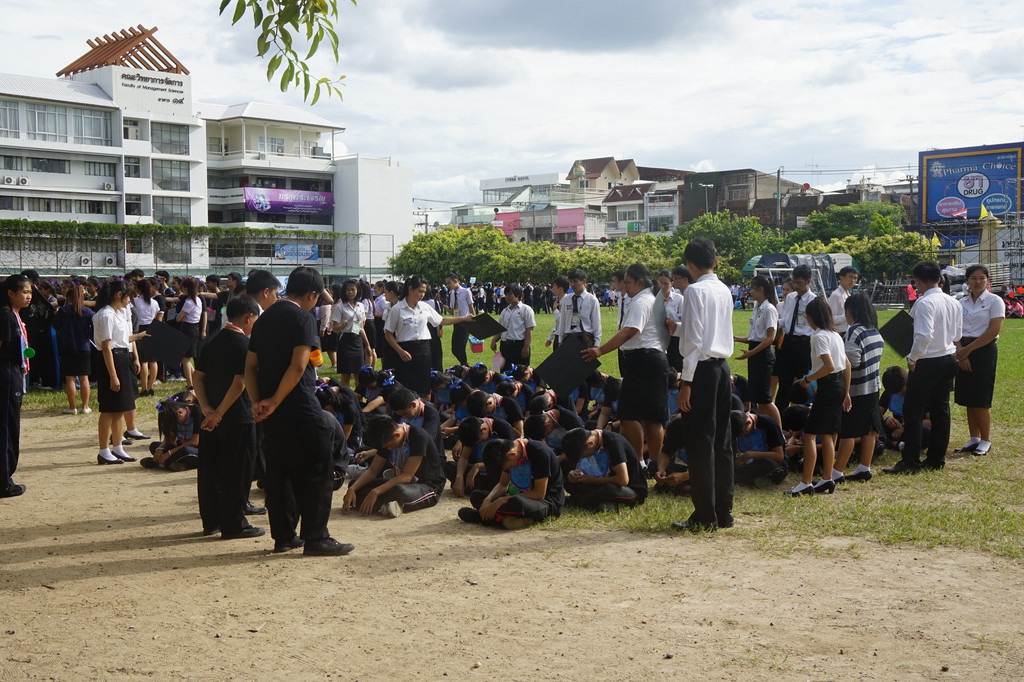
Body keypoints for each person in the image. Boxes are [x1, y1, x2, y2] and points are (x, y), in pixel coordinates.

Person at [246, 266, 354, 557]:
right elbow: (298, 366)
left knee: (279, 475)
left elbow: (250, 366)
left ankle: (283, 536)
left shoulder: (263, 319)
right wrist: (276, 400)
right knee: (316, 471)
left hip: (271, 409)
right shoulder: (302, 318)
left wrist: (260, 402)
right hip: (299, 406)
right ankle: (316, 537)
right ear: (312, 295)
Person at [667, 238, 735, 531]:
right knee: (722, 443)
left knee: (699, 443)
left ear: (691, 265)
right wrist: (679, 329)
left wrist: (686, 383)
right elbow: (708, 331)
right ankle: (724, 512)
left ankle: (705, 515)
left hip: (702, 373)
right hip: (722, 368)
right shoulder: (724, 289)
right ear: (715, 262)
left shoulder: (694, 291)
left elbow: (694, 342)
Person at [582, 263, 668, 475]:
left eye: (627, 283)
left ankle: (639, 463)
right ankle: (653, 464)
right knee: (652, 416)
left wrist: (600, 350)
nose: (624, 287)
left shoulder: (641, 301)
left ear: (640, 281)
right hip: (652, 360)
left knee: (630, 414)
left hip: (643, 360)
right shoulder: (651, 299)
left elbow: (629, 331)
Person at [194, 295, 264, 540]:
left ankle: (211, 521)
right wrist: (219, 413)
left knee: (211, 471)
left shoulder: (210, 341)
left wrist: (207, 409)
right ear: (248, 318)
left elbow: (197, 377)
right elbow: (240, 383)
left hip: (210, 416)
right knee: (237, 471)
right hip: (236, 416)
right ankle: (234, 524)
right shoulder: (243, 344)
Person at [884, 260, 961, 475]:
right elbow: (957, 335)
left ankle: (910, 461)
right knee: (941, 410)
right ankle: (936, 459)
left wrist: (913, 359)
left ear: (917, 281)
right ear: (939, 278)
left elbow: (923, 336)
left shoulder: (924, 303)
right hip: (948, 358)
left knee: (913, 411)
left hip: (927, 361)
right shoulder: (953, 301)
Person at [788, 297, 849, 496]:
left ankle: (806, 482)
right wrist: (846, 392)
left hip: (828, 385)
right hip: (838, 385)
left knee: (811, 434)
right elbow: (846, 365)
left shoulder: (820, 336)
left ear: (811, 316)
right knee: (828, 434)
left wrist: (807, 380)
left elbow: (829, 366)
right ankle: (827, 478)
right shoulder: (835, 335)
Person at [343, 415, 445, 517]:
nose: (388, 449)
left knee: (399, 491)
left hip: (428, 486)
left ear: (396, 435)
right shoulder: (386, 439)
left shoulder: (418, 437)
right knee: (355, 484)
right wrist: (352, 489)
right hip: (400, 483)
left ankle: (381, 504)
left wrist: (376, 492)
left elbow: (406, 477)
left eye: (388, 446)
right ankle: (386, 505)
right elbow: (372, 471)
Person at [386, 275, 471, 397]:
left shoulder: (425, 307)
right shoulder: (397, 309)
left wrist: (464, 318)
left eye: (424, 292)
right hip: (405, 350)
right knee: (405, 388)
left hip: (424, 349)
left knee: (424, 387)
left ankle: (425, 410)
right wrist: (399, 351)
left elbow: (441, 320)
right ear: (410, 288)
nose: (422, 295)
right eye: (420, 291)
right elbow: (388, 334)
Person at [457, 437, 564, 530]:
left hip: (546, 502)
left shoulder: (540, 453)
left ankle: (481, 517)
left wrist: (501, 501)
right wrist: (488, 500)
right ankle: (504, 518)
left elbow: (538, 494)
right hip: (518, 495)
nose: (511, 469)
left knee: (517, 503)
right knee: (476, 495)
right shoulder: (509, 453)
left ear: (511, 455)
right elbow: (503, 484)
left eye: (509, 467)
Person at [953, 264, 1004, 457]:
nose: (978, 282)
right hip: (963, 349)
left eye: (982, 278)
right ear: (967, 281)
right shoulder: (961, 302)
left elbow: (993, 331)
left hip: (983, 350)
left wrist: (967, 351)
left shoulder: (994, 301)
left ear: (987, 280)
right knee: (968, 396)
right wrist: (961, 352)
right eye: (973, 278)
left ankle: (985, 440)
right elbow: (955, 329)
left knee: (981, 398)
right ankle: (974, 438)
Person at [833, 293, 884, 483]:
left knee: (849, 431)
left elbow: (852, 361)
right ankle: (864, 467)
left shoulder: (854, 331)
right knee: (869, 429)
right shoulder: (874, 330)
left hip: (856, 389)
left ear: (850, 311)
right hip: (872, 386)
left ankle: (837, 471)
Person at [93, 280, 144, 465]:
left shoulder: (117, 313)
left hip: (122, 358)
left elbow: (121, 339)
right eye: (128, 296)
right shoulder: (106, 314)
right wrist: (113, 375)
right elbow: (107, 347)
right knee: (108, 408)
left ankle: (117, 446)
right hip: (112, 360)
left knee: (119, 408)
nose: (129, 300)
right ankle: (103, 450)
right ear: (118, 294)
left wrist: (139, 336)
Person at [734, 274, 781, 428]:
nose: (750, 292)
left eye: (752, 289)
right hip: (755, 352)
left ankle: (779, 431)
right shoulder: (757, 307)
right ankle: (764, 428)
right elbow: (754, 336)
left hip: (762, 354)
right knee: (758, 397)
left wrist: (751, 353)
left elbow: (769, 338)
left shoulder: (769, 309)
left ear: (760, 289)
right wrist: (736, 338)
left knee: (766, 399)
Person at [560, 428, 648, 511]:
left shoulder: (614, 443)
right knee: (569, 482)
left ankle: (575, 501)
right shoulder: (593, 441)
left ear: (590, 443)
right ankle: (601, 501)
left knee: (609, 489)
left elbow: (623, 480)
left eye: (583, 456)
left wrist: (594, 481)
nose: (585, 458)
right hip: (603, 481)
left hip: (630, 489)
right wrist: (575, 475)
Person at [0, 275, 32, 498]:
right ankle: (4, 482)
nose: (28, 296)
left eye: (30, 291)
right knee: (7, 427)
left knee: (10, 426)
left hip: (13, 373)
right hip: (5, 375)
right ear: (10, 293)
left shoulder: (15, 315)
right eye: (24, 292)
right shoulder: (5, 316)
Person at [775, 265, 816, 411]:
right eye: (794, 282)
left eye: (799, 282)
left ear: (808, 281)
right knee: (784, 383)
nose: (796, 286)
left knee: (803, 383)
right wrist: (772, 323)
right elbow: (785, 320)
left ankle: (802, 420)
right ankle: (781, 422)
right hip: (787, 344)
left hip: (803, 345)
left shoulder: (813, 301)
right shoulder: (791, 298)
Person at [53, 279, 94, 415]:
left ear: (69, 297)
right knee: (84, 378)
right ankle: (85, 406)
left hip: (67, 346)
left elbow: (56, 326)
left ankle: (72, 407)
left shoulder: (63, 311)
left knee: (70, 378)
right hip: (84, 347)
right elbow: (93, 330)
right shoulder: (88, 312)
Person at [332, 279, 374, 388]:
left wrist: (367, 345)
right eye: (347, 290)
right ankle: (345, 399)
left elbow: (361, 327)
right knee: (345, 376)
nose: (350, 292)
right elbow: (334, 329)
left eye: (353, 289)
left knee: (358, 375)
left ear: (358, 290)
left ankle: (358, 400)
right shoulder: (340, 306)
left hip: (357, 341)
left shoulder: (361, 306)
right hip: (345, 341)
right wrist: (341, 325)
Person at [492, 283, 535, 370]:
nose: (507, 296)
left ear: (517, 295)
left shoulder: (526, 309)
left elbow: (529, 329)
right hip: (505, 346)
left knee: (520, 373)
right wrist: (494, 340)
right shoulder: (504, 311)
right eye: (506, 294)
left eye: (510, 294)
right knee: (506, 373)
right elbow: (500, 329)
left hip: (519, 346)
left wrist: (526, 346)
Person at [555, 268, 601, 349]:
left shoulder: (592, 300)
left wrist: (596, 343)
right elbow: (563, 321)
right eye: (571, 282)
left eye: (576, 281)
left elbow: (596, 323)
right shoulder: (566, 300)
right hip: (568, 337)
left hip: (584, 338)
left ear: (583, 281)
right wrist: (560, 340)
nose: (573, 285)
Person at [132, 277, 162, 397]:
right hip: (152, 328)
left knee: (144, 361)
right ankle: (150, 386)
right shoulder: (154, 302)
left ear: (138, 289)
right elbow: (157, 315)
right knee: (153, 361)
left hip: (140, 329)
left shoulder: (135, 302)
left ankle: (144, 387)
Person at [177, 277, 207, 389]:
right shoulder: (198, 299)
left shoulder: (189, 302)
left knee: (185, 359)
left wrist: (180, 317)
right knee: (188, 358)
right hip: (195, 328)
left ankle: (190, 383)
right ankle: (195, 380)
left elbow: (178, 318)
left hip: (188, 329)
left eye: (183, 288)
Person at [445, 273, 476, 366]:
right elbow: (453, 312)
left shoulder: (466, 291)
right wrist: (447, 309)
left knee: (461, 347)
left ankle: (465, 366)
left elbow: (471, 306)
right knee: (454, 349)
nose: (447, 285)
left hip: (465, 322)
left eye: (449, 283)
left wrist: (474, 320)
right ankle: (465, 365)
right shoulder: (451, 294)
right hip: (456, 322)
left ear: (455, 281)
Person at [657, 269, 685, 371]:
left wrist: (672, 320)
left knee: (675, 367)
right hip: (658, 338)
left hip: (674, 338)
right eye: (660, 283)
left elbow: (684, 320)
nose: (663, 286)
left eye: (666, 283)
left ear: (672, 283)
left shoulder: (679, 299)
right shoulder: (653, 299)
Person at [827, 266, 859, 334]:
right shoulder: (836, 295)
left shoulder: (848, 294)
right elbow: (830, 318)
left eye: (855, 278)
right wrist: (848, 316)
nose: (852, 280)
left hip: (847, 331)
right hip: (838, 333)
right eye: (850, 277)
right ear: (841, 277)